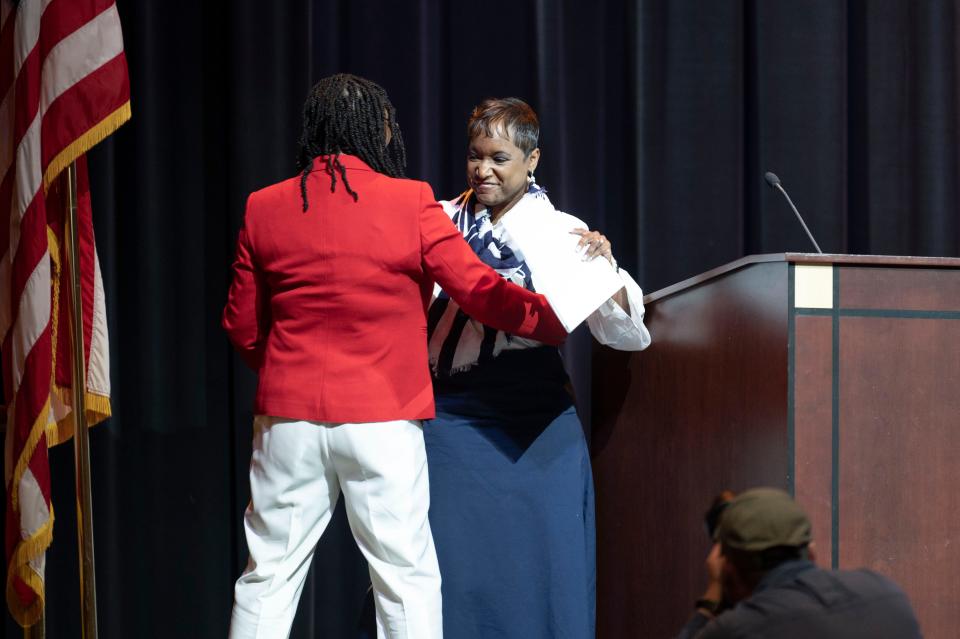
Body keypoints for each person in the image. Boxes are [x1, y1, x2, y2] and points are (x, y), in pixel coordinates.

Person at [222, 75, 568, 639]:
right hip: (383, 417)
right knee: (403, 578)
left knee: (268, 577)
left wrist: (288, 369)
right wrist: (547, 320)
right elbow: (478, 290)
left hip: (287, 420)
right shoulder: (409, 201)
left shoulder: (264, 206)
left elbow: (240, 325)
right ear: (380, 129)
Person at [423, 97, 651, 639]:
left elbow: (623, 332)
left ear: (533, 160)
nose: (483, 170)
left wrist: (609, 273)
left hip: (533, 419)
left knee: (541, 566)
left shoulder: (562, 231)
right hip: (447, 419)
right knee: (450, 571)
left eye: (499, 158)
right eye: (475, 157)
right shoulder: (434, 220)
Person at [677, 487, 923, 639]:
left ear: (727, 569)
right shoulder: (887, 595)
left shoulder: (736, 630)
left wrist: (710, 600)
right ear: (811, 553)